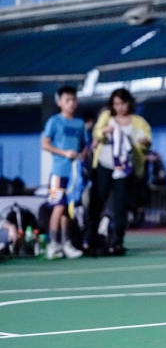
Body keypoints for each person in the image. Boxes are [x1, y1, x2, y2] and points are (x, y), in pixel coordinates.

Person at [86, 88, 152, 255]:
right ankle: (91, 237)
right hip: (104, 164)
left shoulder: (138, 121)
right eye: (116, 104)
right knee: (98, 199)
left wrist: (144, 142)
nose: (120, 107)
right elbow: (96, 133)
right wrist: (103, 131)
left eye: (123, 103)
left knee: (120, 203)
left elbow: (147, 141)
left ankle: (117, 239)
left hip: (124, 168)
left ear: (129, 103)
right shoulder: (106, 117)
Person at [41, 86, 88, 260]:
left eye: (74, 100)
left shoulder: (80, 124)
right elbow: (45, 144)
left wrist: (82, 156)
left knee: (68, 209)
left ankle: (66, 243)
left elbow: (86, 145)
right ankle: (52, 243)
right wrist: (64, 153)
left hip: (74, 175)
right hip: (58, 172)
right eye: (67, 100)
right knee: (58, 206)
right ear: (59, 102)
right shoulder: (54, 121)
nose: (71, 103)